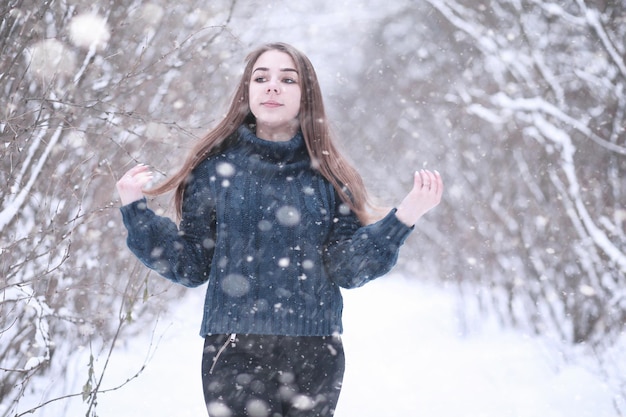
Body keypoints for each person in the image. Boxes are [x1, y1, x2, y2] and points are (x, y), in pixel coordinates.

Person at [116, 42, 443, 417]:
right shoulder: (213, 171)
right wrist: (136, 213)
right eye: (261, 77)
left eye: (288, 79)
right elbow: (191, 264)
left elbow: (348, 269)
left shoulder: (330, 177)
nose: (272, 86)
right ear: (247, 91)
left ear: (306, 97)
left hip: (315, 353)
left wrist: (404, 217)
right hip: (232, 351)